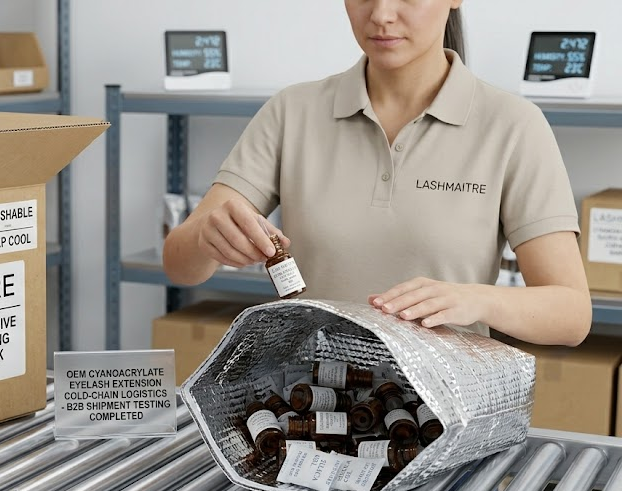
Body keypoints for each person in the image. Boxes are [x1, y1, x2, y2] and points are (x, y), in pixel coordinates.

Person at [163, 0, 591, 347]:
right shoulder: (292, 112)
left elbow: (571, 316)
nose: (382, 14)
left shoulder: (514, 125)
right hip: (309, 406)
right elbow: (180, 267)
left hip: (442, 416)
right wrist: (207, 238)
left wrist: (475, 299)